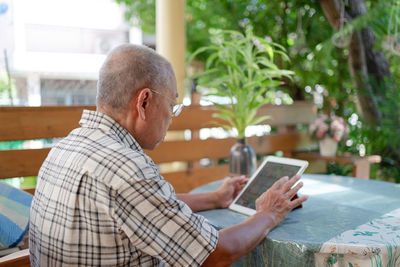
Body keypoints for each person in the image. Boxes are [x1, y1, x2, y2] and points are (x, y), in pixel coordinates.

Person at [29, 44, 308, 267]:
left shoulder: (65, 147)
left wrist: (214, 198)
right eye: (172, 105)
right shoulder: (126, 168)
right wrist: (269, 213)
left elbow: (135, 209)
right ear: (145, 101)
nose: (171, 117)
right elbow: (215, 254)